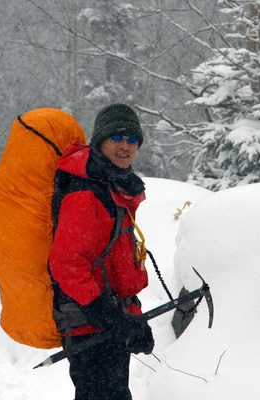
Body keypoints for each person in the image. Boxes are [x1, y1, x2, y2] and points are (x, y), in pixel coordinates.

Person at [48, 103, 154, 400]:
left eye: (132, 139)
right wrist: (111, 317)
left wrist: (133, 320)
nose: (125, 146)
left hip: (108, 325)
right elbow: (67, 264)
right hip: (89, 326)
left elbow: (115, 265)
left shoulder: (113, 188)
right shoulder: (87, 193)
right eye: (117, 138)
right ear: (100, 141)